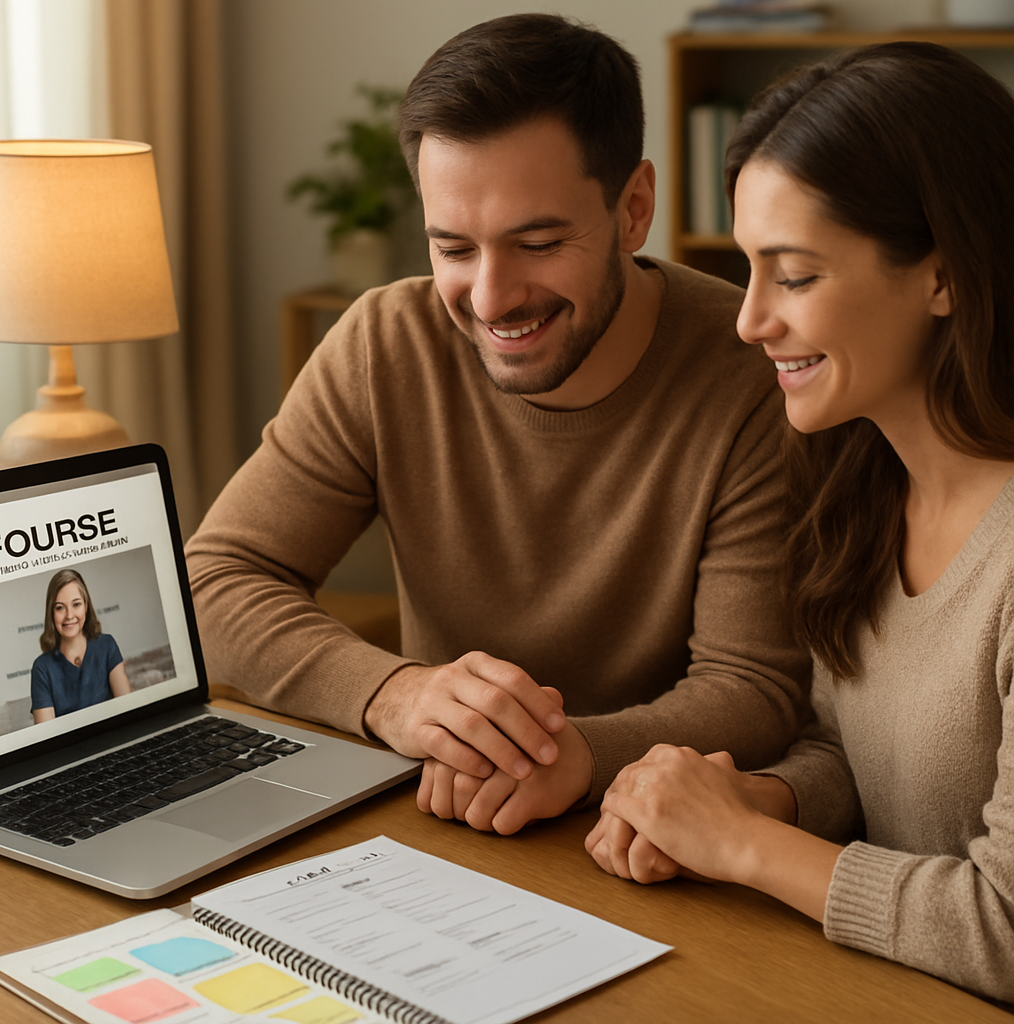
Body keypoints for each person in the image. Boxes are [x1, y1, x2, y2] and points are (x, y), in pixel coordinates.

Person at [185, 13, 809, 834]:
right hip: (437, 822)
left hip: (649, 839)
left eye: (538, 242)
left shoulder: (754, 375)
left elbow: (752, 690)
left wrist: (577, 755)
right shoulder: (385, 343)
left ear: (633, 209)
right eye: (453, 248)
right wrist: (392, 693)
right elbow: (216, 579)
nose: (489, 299)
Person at [586, 41, 1014, 1003]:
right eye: (748, 269)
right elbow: (846, 749)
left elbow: (1006, 927)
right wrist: (752, 797)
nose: (749, 321)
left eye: (796, 275)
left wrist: (745, 843)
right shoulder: (863, 484)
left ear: (943, 277)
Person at [31, 568, 132, 722]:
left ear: (86, 606)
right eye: (60, 608)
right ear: (51, 613)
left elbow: (128, 712)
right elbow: (46, 738)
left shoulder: (107, 645)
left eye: (76, 604)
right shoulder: (42, 668)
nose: (69, 615)